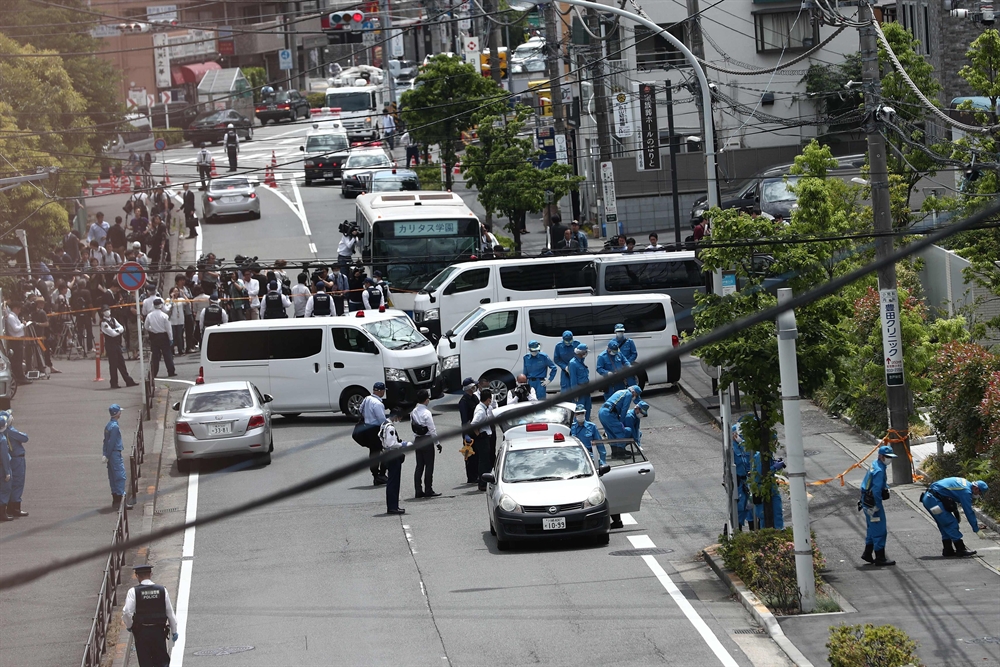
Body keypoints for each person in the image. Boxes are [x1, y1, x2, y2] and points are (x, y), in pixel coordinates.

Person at [122, 563, 178, 667]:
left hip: (141, 632)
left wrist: (130, 626)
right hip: (159, 632)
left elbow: (127, 612)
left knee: (145, 660)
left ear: (137, 575)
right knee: (162, 660)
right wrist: (174, 631)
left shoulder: (133, 592)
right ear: (151, 574)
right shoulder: (162, 590)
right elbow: (170, 613)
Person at [921, 477, 989, 557]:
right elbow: (968, 512)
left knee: (944, 524)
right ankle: (961, 549)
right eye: (980, 493)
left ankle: (948, 550)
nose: (978, 495)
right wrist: (976, 529)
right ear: (976, 488)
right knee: (950, 523)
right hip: (933, 502)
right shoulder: (966, 492)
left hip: (930, 499)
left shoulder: (965, 484)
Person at [859, 444, 897, 566]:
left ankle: (867, 553)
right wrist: (878, 505)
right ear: (881, 456)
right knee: (880, 529)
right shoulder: (880, 470)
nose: (889, 459)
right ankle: (880, 557)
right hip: (873, 504)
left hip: (866, 500)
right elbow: (876, 490)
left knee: (872, 528)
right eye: (887, 457)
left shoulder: (875, 464)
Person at [410, 389, 441, 498]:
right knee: (429, 466)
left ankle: (418, 490)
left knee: (419, 466)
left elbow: (413, 427)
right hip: (427, 440)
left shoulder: (413, 412)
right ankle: (428, 489)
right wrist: (437, 443)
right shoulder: (427, 413)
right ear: (426, 400)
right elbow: (432, 430)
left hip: (417, 440)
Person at [359, 382, 390, 485]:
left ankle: (375, 475)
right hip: (376, 430)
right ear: (381, 391)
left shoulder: (367, 399)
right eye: (383, 391)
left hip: (367, 428)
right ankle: (381, 474)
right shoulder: (377, 403)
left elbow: (360, 410)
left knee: (373, 453)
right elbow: (381, 419)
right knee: (385, 451)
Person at [103, 404, 133, 510]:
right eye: (120, 411)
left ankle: (115, 500)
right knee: (120, 476)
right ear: (117, 413)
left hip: (110, 454)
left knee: (112, 476)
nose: (121, 413)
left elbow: (105, 441)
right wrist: (108, 453)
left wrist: (105, 454)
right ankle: (122, 502)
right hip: (115, 453)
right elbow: (111, 442)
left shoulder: (108, 425)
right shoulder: (115, 426)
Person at [101, 306, 138, 389]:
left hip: (117, 344)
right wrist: (118, 331)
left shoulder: (113, 319)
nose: (107, 311)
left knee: (121, 363)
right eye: (105, 310)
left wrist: (117, 330)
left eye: (108, 309)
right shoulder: (103, 323)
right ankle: (114, 383)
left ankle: (128, 381)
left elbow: (121, 327)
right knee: (113, 364)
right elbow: (112, 333)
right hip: (110, 345)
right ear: (102, 313)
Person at [599, 385, 641, 457]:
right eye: (636, 395)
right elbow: (624, 409)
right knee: (620, 431)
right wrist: (621, 422)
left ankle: (615, 452)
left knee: (611, 433)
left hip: (602, 412)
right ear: (633, 392)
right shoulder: (628, 394)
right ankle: (620, 452)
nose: (634, 397)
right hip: (610, 413)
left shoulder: (621, 391)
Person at [0, 412, 27, 519]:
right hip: (16, 459)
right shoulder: (8, 432)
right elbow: (25, 438)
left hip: (10, 459)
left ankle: (10, 507)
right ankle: (14, 507)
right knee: (17, 483)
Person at [379, 418, 408, 514]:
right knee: (394, 482)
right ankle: (393, 507)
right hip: (393, 455)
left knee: (392, 481)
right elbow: (391, 444)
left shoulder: (384, 424)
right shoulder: (390, 428)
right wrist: (403, 444)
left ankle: (393, 506)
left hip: (387, 454)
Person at [752, 451, 785, 530]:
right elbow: (762, 474)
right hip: (762, 489)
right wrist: (774, 467)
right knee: (764, 515)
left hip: (771, 488)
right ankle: (767, 534)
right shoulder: (760, 456)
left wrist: (774, 464)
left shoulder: (768, 454)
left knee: (777, 513)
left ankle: (779, 531)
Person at [143, 298, 176, 378]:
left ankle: (154, 373)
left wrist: (152, 330)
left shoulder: (149, 315)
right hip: (163, 336)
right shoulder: (164, 316)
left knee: (155, 356)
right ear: (161, 306)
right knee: (167, 354)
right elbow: (168, 329)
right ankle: (171, 371)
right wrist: (170, 338)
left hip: (154, 337)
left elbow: (146, 326)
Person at [471, 388, 496, 491]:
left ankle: (485, 483)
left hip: (487, 437)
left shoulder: (485, 408)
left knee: (487, 460)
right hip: (483, 438)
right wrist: (479, 434)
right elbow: (473, 424)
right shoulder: (480, 411)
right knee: (484, 462)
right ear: (488, 399)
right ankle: (482, 483)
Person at [731, 422, 753, 531]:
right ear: (734, 434)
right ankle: (735, 532)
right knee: (739, 508)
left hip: (747, 480)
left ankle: (753, 530)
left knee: (750, 507)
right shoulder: (731, 449)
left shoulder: (744, 446)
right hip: (738, 482)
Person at [458, 377, 480, 484]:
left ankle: (477, 474)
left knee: (477, 454)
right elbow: (464, 419)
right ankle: (471, 477)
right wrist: (466, 433)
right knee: (469, 455)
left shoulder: (474, 398)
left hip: (476, 429)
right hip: (468, 431)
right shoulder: (463, 402)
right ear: (469, 388)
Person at [4, 301, 29, 385]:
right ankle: (18, 377)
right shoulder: (11, 317)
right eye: (18, 309)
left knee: (19, 359)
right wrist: (23, 324)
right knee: (17, 360)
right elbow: (15, 328)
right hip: (15, 340)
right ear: (15, 308)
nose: (19, 310)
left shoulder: (15, 317)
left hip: (19, 340)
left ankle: (20, 376)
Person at [567, 343, 591, 419]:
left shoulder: (581, 361)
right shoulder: (573, 363)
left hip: (586, 389)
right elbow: (573, 379)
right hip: (579, 390)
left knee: (588, 408)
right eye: (585, 352)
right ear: (581, 353)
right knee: (579, 410)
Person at [167, 287, 186, 355]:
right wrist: (172, 298)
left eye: (177, 291)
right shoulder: (168, 300)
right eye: (174, 291)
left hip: (180, 320)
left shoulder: (180, 299)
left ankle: (180, 350)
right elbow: (168, 307)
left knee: (179, 336)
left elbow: (188, 303)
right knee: (173, 336)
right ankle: (172, 350)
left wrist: (183, 294)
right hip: (172, 320)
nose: (176, 293)